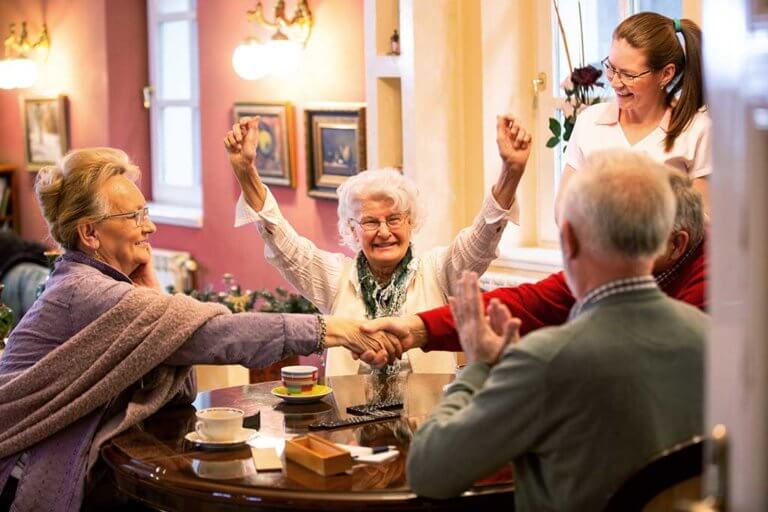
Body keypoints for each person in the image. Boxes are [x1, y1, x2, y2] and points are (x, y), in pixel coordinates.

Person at [0, 148, 394, 511]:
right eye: (134, 217)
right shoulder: (84, 291)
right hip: (25, 474)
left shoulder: (106, 287)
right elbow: (216, 334)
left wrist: (153, 295)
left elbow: (179, 387)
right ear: (90, 234)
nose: (149, 227)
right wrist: (333, 329)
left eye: (145, 212)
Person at [406, 149, 707, 511]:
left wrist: (480, 366)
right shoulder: (712, 339)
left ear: (569, 239)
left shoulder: (545, 361)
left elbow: (429, 470)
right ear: (661, 238)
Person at [225, 115, 532, 376]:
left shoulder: (438, 271)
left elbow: (480, 240)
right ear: (352, 229)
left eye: (394, 219)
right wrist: (245, 172)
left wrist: (511, 172)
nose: (384, 232)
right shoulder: (335, 278)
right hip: (347, 419)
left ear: (410, 221)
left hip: (426, 417)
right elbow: (284, 245)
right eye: (370, 222)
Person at [357, 167, 706, 361]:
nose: (607, 249)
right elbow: (530, 303)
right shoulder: (618, 265)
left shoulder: (713, 288)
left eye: (631, 237)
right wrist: (417, 328)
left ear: (677, 244)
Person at [556, 12, 710, 216]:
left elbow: (700, 221)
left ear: (666, 74)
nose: (615, 82)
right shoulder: (589, 121)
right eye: (611, 68)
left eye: (628, 74)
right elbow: (562, 210)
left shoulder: (697, 129)